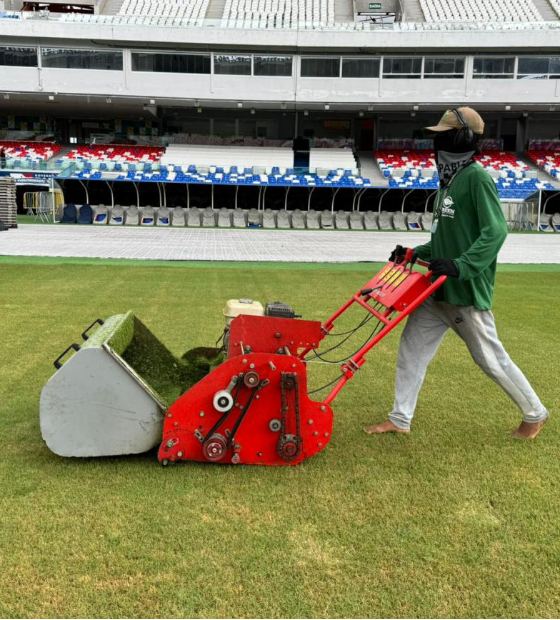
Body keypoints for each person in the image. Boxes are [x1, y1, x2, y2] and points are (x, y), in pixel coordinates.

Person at [365, 107, 549, 440]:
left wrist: (462, 266)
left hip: (464, 291)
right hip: (435, 293)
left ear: (463, 138)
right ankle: (399, 418)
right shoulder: (447, 184)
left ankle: (535, 414)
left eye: (443, 135)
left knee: (490, 360)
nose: (436, 142)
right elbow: (444, 240)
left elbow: (495, 232)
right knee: (411, 351)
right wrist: (413, 253)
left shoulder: (476, 178)